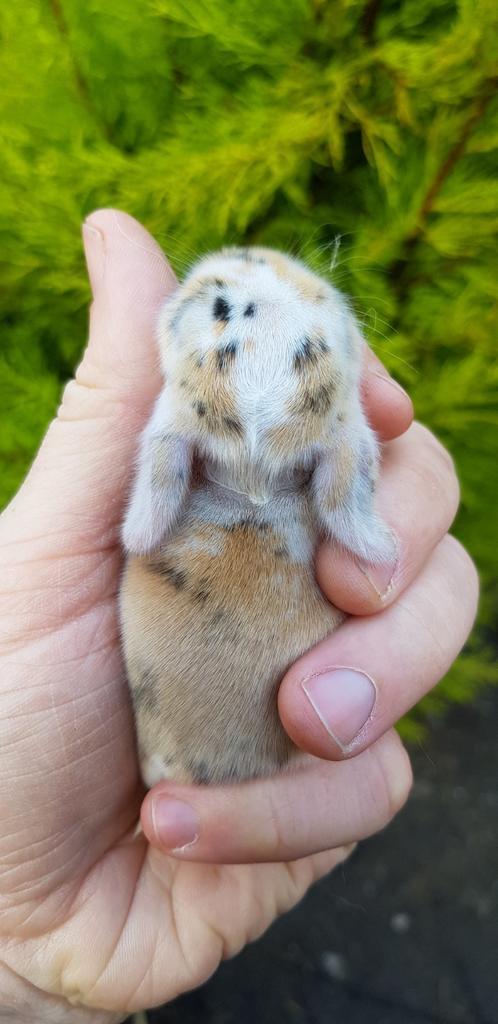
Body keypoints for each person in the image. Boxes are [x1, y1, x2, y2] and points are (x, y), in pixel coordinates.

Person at [0, 211, 478, 1023]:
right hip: (242, 618)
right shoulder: (312, 444)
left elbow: (150, 518)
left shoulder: (184, 434)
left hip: (185, 610)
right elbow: (350, 514)